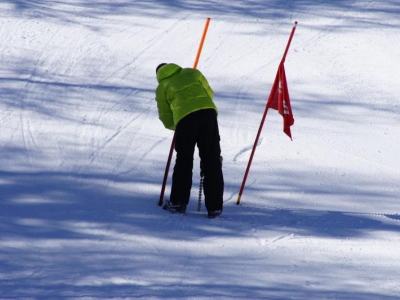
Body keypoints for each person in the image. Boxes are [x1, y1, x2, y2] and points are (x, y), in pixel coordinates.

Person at [155, 63, 224, 218]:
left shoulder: (162, 87)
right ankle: (214, 207)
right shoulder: (192, 73)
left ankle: (178, 202)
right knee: (211, 159)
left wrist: (176, 125)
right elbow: (209, 93)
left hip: (185, 120)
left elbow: (165, 116)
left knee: (184, 160)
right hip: (208, 114)